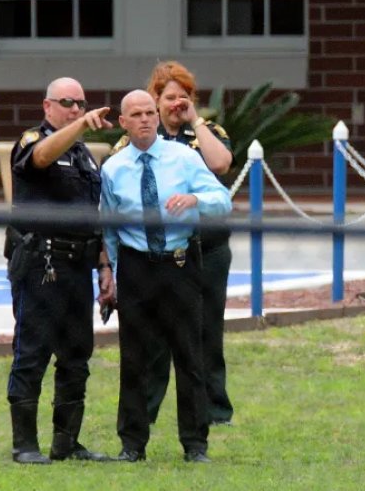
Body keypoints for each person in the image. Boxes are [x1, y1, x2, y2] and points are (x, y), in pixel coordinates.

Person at [100, 90, 232, 463]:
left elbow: (223, 200)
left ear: (157, 117)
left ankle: (195, 444)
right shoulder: (113, 169)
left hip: (179, 264)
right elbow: (108, 228)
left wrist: (196, 200)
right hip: (136, 266)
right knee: (134, 358)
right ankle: (132, 444)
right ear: (123, 123)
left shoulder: (184, 158)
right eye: (136, 115)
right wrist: (108, 272)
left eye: (149, 113)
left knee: (189, 355)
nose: (144, 119)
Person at [3, 77, 115, 464]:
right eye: (67, 102)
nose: (75, 109)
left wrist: (103, 265)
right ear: (47, 106)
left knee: (77, 355)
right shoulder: (33, 139)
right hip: (41, 263)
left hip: (78, 265)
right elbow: (41, 158)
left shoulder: (83, 155)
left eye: (81, 104)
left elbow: (91, 215)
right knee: (32, 352)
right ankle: (24, 445)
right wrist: (79, 126)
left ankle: (66, 443)